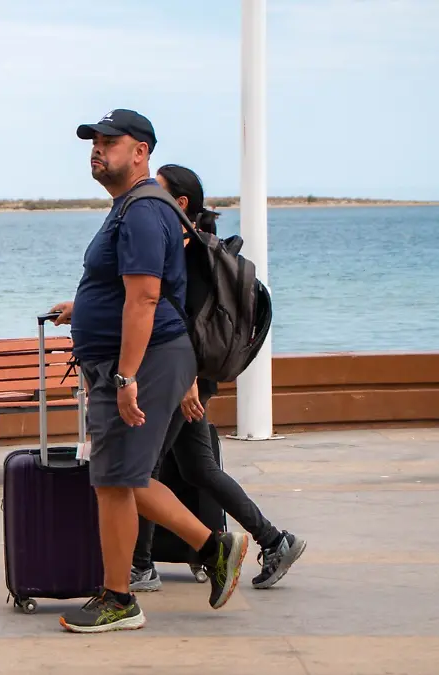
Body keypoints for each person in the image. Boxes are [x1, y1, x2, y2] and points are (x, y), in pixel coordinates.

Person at [48, 109, 248, 634]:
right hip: (137, 358)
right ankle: (212, 545)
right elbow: (127, 291)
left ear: (141, 151)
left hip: (142, 361)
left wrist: (125, 376)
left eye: (110, 141)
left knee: (116, 479)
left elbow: (146, 296)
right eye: (93, 141)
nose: (98, 149)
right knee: (120, 477)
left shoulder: (140, 210)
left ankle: (120, 598)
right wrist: (82, 308)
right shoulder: (132, 208)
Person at [127, 164, 307, 594]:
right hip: (189, 378)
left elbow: (183, 324)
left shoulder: (187, 254)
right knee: (198, 468)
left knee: (142, 470)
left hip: (181, 379)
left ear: (181, 203)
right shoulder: (193, 248)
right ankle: (275, 540)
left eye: (160, 191)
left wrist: (186, 383)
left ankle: (139, 567)